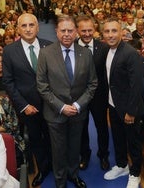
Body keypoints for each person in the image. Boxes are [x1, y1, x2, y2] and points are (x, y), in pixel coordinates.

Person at [37, 14, 97, 188]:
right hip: (55, 114)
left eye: (70, 31)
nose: (67, 34)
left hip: (78, 113)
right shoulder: (46, 53)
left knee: (74, 147)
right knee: (58, 150)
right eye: (63, 30)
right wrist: (61, 107)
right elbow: (42, 86)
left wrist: (78, 105)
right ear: (56, 32)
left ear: (76, 33)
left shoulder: (85, 53)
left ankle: (73, 174)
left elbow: (92, 84)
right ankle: (60, 181)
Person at [2, 13, 52, 187]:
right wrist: (23, 106)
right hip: (28, 107)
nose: (28, 29)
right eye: (24, 26)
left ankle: (58, 166)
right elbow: (8, 81)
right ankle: (44, 169)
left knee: (55, 138)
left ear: (38, 27)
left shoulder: (50, 46)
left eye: (32, 25)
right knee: (36, 140)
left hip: (51, 105)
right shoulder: (9, 51)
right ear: (18, 29)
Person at [102, 17, 143, 188]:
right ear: (103, 34)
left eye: (114, 31)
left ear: (121, 32)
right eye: (107, 31)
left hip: (129, 109)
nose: (110, 35)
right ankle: (122, 165)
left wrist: (131, 112)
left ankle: (136, 173)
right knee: (118, 139)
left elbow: (136, 85)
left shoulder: (130, 53)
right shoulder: (107, 50)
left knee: (133, 142)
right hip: (113, 105)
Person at [75, 15, 110, 171]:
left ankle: (103, 155)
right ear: (77, 31)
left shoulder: (104, 48)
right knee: (81, 128)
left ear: (95, 30)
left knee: (102, 127)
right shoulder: (71, 46)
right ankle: (84, 154)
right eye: (83, 31)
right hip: (78, 97)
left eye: (90, 30)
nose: (87, 34)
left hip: (99, 96)